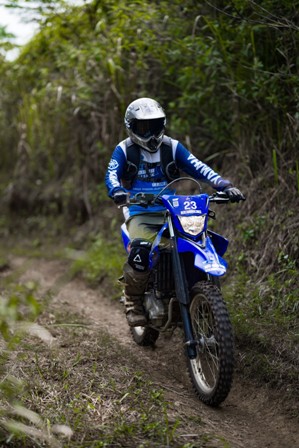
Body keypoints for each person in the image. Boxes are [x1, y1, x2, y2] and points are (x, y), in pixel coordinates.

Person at [105, 97, 244, 327]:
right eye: (143, 127)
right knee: (141, 249)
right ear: (131, 127)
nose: (150, 133)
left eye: (155, 125)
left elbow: (198, 166)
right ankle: (133, 300)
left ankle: (195, 295)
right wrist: (117, 190)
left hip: (172, 208)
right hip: (140, 211)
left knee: (198, 240)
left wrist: (224, 185)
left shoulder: (172, 146)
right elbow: (111, 173)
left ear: (163, 124)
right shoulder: (124, 150)